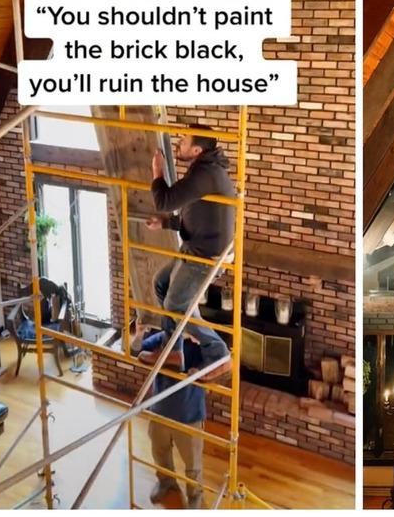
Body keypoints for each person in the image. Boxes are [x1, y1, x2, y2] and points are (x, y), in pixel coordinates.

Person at [139, 125, 235, 382]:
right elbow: (198, 215)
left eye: (183, 141)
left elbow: (165, 201)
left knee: (176, 306)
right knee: (161, 284)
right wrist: (167, 223)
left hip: (206, 257)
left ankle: (219, 355)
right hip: (197, 247)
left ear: (196, 150)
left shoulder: (206, 174)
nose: (178, 144)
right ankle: (174, 351)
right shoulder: (204, 170)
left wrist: (157, 172)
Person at [143, 331, 205, 509]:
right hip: (160, 409)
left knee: (192, 462)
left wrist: (199, 368)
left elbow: (218, 359)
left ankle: (194, 495)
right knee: (159, 452)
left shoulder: (202, 339)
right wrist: (138, 334)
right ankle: (166, 481)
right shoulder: (162, 338)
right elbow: (136, 350)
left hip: (189, 414)